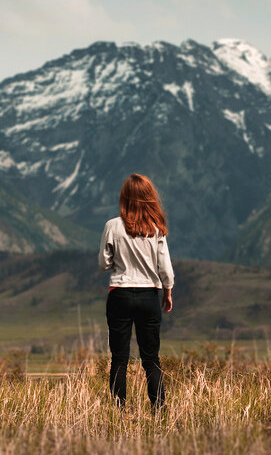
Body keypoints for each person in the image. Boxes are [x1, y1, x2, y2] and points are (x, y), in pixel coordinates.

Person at [98, 173, 175, 410]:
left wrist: (117, 263)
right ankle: (159, 410)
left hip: (120, 293)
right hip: (149, 295)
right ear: (149, 197)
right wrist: (168, 291)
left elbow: (103, 262)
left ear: (125, 197)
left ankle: (119, 412)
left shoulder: (112, 226)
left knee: (119, 359)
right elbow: (165, 267)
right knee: (151, 359)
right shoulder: (156, 228)